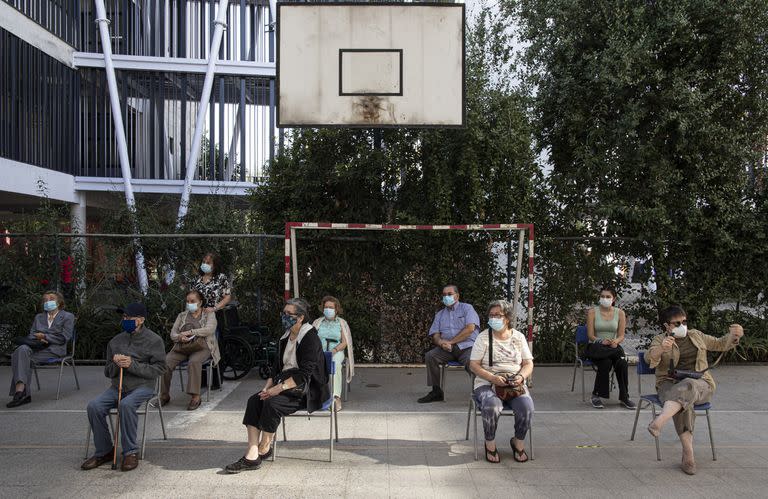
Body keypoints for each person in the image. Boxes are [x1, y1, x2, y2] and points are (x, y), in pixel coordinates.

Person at [225, 298, 329, 474]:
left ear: (301, 317)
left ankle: (264, 447)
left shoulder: (310, 337)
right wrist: (267, 387)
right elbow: (275, 370)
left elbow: (304, 375)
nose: (284, 316)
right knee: (254, 400)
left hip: (308, 389)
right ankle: (252, 452)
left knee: (271, 404)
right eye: (284, 313)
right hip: (285, 384)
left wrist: (277, 389)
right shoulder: (285, 337)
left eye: (289, 314)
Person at [645, 306, 744, 475]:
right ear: (666, 326)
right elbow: (649, 359)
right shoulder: (660, 339)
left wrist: (734, 336)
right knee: (683, 402)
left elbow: (720, 344)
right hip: (668, 383)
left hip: (701, 383)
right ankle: (688, 453)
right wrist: (662, 349)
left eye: (684, 321)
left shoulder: (696, 335)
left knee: (689, 385)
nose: (682, 325)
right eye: (677, 323)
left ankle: (660, 421)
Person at [81, 303, 166, 472]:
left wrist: (132, 365)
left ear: (141, 320)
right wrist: (115, 363)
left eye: (129, 317)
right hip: (117, 386)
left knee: (126, 405)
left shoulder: (154, 340)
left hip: (143, 385)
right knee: (94, 406)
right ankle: (104, 451)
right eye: (124, 317)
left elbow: (159, 369)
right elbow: (108, 371)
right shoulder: (115, 341)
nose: (125, 320)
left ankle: (130, 452)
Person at [469, 300, 534, 463]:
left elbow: (528, 363)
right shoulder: (483, 337)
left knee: (526, 407)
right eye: (491, 315)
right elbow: (473, 365)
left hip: (514, 383)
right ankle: (489, 444)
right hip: (487, 382)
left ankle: (518, 442)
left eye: (497, 315)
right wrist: (492, 378)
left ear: (508, 317)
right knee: (492, 405)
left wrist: (520, 377)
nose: (493, 319)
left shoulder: (518, 337)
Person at [7, 291, 75, 408]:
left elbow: (64, 338)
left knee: (20, 357)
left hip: (55, 350)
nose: (47, 301)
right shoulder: (39, 317)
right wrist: (39, 338)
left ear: (59, 302)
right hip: (37, 348)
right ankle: (21, 391)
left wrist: (45, 336)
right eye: (45, 300)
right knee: (22, 349)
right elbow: (31, 335)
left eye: (51, 299)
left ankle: (22, 393)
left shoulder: (68, 316)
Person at [418, 285, 480, 403]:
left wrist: (451, 342)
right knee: (430, 356)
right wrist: (441, 343)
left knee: (472, 363)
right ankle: (436, 391)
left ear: (457, 296)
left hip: (466, 347)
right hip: (446, 349)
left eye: (450, 294)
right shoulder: (440, 314)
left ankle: (479, 392)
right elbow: (435, 334)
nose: (447, 297)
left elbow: (470, 329)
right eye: (444, 295)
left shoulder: (467, 308)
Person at [159, 290, 219, 410]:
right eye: (187, 301)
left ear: (200, 302)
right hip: (183, 347)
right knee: (166, 362)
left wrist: (192, 332)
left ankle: (195, 397)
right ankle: (164, 395)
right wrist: (180, 337)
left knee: (194, 362)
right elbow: (173, 334)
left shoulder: (208, 314)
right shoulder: (182, 316)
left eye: (193, 301)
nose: (189, 303)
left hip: (202, 347)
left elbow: (209, 329)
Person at [585, 286, 635, 409]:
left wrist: (615, 342)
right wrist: (601, 341)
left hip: (613, 347)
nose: (605, 299)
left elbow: (621, 335)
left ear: (613, 299)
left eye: (608, 297)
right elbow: (591, 336)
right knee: (606, 363)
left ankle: (624, 397)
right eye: (602, 296)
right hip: (597, 347)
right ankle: (596, 396)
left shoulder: (620, 313)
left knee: (622, 363)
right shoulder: (592, 312)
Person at [312, 296, 355, 411]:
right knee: (311, 363)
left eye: (331, 307)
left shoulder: (342, 323)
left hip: (336, 351)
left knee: (334, 363)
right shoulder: (317, 322)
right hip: (319, 352)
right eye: (326, 307)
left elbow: (345, 342)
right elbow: (312, 340)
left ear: (336, 310)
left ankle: (336, 397)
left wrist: (334, 351)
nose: (328, 309)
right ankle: (317, 395)